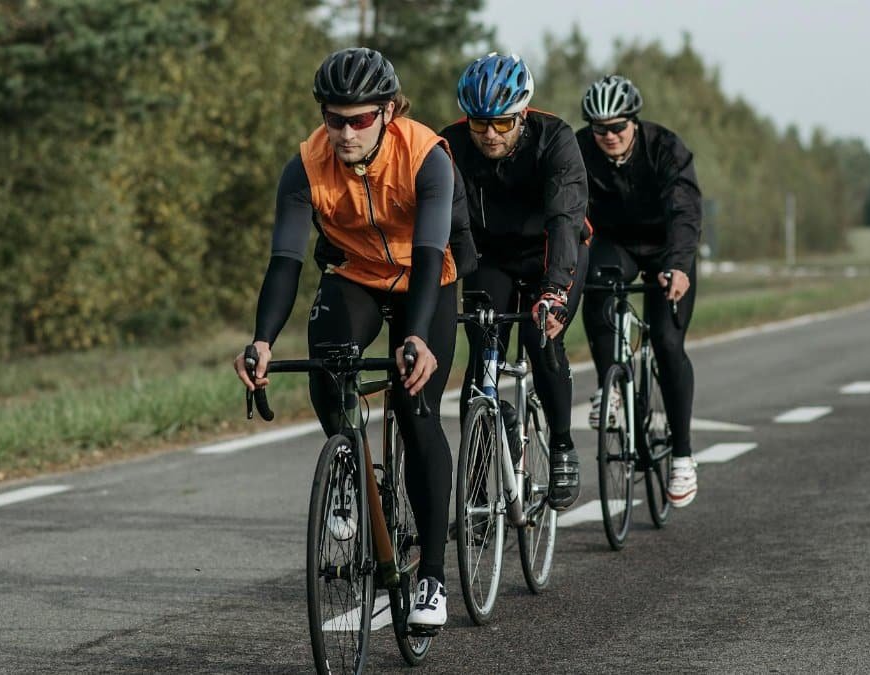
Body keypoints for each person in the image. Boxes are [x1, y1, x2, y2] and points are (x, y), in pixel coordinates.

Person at [233, 47, 476, 629]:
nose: (344, 132)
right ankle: (350, 470)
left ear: (388, 112)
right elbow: (285, 261)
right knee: (327, 366)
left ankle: (434, 578)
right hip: (357, 274)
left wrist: (415, 336)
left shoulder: (426, 157)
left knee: (415, 407)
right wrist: (263, 339)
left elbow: (426, 252)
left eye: (360, 119)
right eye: (333, 118)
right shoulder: (305, 165)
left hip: (427, 276)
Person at [439, 52, 590, 511]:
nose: (489, 135)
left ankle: (562, 445)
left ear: (523, 114)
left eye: (502, 124)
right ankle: (477, 497)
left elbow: (566, 220)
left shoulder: (556, 139)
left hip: (552, 253)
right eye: (480, 124)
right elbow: (441, 223)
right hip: (491, 258)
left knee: (540, 338)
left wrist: (554, 291)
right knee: (481, 358)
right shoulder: (450, 144)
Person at [576, 74, 702, 507]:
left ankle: (683, 455)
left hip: (668, 244)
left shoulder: (666, 148)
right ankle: (611, 387)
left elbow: (685, 212)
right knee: (595, 283)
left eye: (617, 128)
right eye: (600, 129)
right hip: (618, 244)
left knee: (667, 342)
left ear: (634, 122)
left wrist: (680, 266)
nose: (608, 137)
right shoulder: (580, 149)